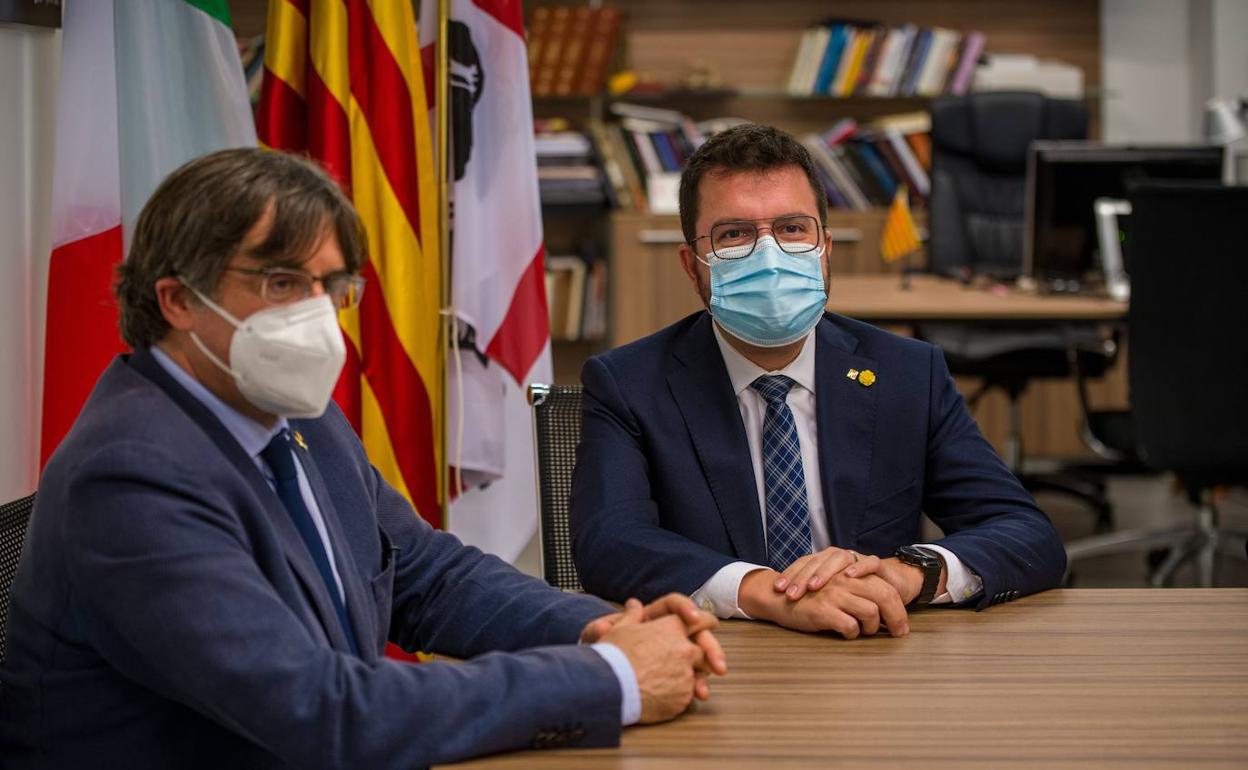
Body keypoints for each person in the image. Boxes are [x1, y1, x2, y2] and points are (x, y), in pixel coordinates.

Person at [0, 148, 726, 769]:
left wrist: (599, 629)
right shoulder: (133, 474)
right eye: (282, 283)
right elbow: (320, 713)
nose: (316, 315)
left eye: (332, 286)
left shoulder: (295, 412)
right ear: (177, 300)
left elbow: (427, 576)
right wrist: (609, 677)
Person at [569, 124, 1067, 638]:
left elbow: (1027, 533)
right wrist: (768, 593)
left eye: (791, 228)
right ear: (691, 265)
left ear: (825, 247)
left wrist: (904, 575)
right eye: (734, 234)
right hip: (717, 653)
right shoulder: (627, 384)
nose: (768, 256)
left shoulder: (907, 373)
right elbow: (608, 542)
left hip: (873, 650)